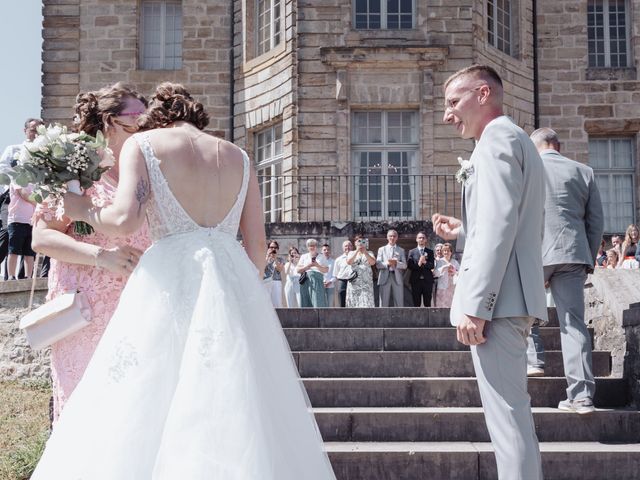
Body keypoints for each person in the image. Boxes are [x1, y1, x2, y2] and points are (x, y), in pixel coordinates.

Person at [31, 82, 336, 479]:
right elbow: (258, 250)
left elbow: (124, 221)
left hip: (168, 273)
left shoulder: (146, 146)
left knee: (145, 391)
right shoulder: (240, 157)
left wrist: (81, 206)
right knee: (232, 394)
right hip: (229, 277)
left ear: (157, 118)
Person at [433, 65, 546, 480]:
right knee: (514, 420)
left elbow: (500, 223)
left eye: (453, 102)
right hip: (513, 297)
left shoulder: (496, 139)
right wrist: (464, 227)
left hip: (498, 305)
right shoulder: (515, 138)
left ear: (483, 94)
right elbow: (506, 218)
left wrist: (477, 304)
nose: (448, 116)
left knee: (508, 423)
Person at [30, 84, 151, 419]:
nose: (145, 127)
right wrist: (102, 257)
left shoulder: (144, 176)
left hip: (139, 307)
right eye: (137, 119)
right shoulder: (77, 175)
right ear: (110, 122)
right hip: (85, 311)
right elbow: (41, 239)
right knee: (86, 412)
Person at [524, 128, 604, 416]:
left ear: (536, 147)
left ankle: (534, 360)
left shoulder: (528, 169)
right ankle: (581, 396)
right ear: (558, 145)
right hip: (573, 252)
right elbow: (595, 222)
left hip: (535, 253)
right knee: (573, 325)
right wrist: (587, 259)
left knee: (524, 312)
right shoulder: (584, 171)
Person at [376, 229, 406, 307]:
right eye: (390, 236)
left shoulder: (401, 250)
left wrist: (396, 263)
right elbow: (378, 264)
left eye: (394, 236)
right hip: (385, 276)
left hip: (397, 276)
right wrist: (387, 263)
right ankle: (383, 318)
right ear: (387, 237)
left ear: (397, 238)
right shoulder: (381, 249)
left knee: (399, 301)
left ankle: (399, 318)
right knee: (383, 302)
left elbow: (405, 265)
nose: (392, 238)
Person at [297, 238, 330, 308]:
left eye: (313, 245)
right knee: (306, 302)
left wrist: (317, 265)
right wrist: (308, 266)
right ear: (307, 247)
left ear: (316, 246)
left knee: (318, 301)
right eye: (310, 245)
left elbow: (326, 270)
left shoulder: (322, 256)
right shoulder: (304, 256)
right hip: (306, 281)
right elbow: (298, 270)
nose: (312, 247)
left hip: (318, 281)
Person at [346, 235, 376, 308]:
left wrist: (365, 252)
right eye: (358, 241)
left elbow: (372, 262)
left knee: (367, 301)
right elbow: (349, 262)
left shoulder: (370, 252)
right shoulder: (351, 253)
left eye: (363, 241)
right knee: (354, 300)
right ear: (355, 243)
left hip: (366, 282)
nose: (360, 243)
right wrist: (357, 251)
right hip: (354, 281)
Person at [407, 231, 435, 307]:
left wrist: (425, 262)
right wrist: (419, 264)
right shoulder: (412, 252)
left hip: (427, 281)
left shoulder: (430, 252)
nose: (421, 239)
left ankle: (428, 319)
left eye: (423, 238)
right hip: (416, 281)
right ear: (416, 239)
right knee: (416, 303)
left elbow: (432, 265)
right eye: (420, 238)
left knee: (427, 303)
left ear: (426, 240)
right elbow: (409, 266)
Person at [434, 242, 460, 308]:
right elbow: (435, 273)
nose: (446, 252)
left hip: (452, 288)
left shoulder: (455, 262)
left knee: (452, 307)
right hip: (442, 287)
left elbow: (460, 273)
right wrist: (444, 267)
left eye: (448, 251)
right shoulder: (439, 261)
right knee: (441, 307)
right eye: (444, 251)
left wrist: (454, 271)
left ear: (451, 252)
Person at [333, 239, 354, 307]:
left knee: (353, 301)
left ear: (352, 247)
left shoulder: (357, 257)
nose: (347, 247)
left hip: (354, 281)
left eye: (349, 246)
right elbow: (336, 274)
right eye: (346, 246)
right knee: (342, 300)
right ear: (343, 248)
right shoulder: (338, 260)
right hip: (342, 281)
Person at [263, 243, 284, 307]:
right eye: (271, 247)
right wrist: (267, 257)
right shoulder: (263, 257)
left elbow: (280, 269)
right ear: (268, 248)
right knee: (265, 302)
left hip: (276, 281)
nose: (273, 249)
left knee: (277, 303)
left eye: (275, 247)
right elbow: (261, 267)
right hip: (265, 281)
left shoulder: (280, 259)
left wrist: (275, 258)